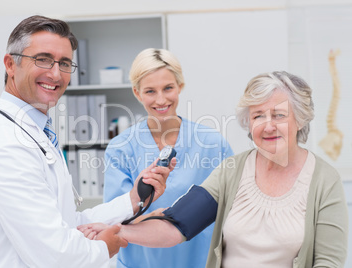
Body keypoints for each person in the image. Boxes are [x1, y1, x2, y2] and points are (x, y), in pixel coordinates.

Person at [0, 15, 175, 268]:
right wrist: (108, 245)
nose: (55, 74)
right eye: (43, 59)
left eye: (64, 63)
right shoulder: (6, 147)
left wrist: (133, 199)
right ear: (10, 64)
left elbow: (68, 223)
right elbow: (56, 256)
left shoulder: (34, 133)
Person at [80, 71, 349, 267]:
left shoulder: (324, 180)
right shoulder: (233, 170)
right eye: (258, 116)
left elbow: (328, 262)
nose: (268, 126)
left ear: (300, 120)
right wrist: (118, 230)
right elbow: (176, 226)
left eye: (279, 115)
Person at [102, 48, 233, 268]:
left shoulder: (213, 144)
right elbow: (114, 219)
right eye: (150, 91)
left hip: (200, 262)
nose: (161, 99)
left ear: (180, 86)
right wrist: (155, 220)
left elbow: (232, 213)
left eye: (168, 88)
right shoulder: (121, 148)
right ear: (137, 92)